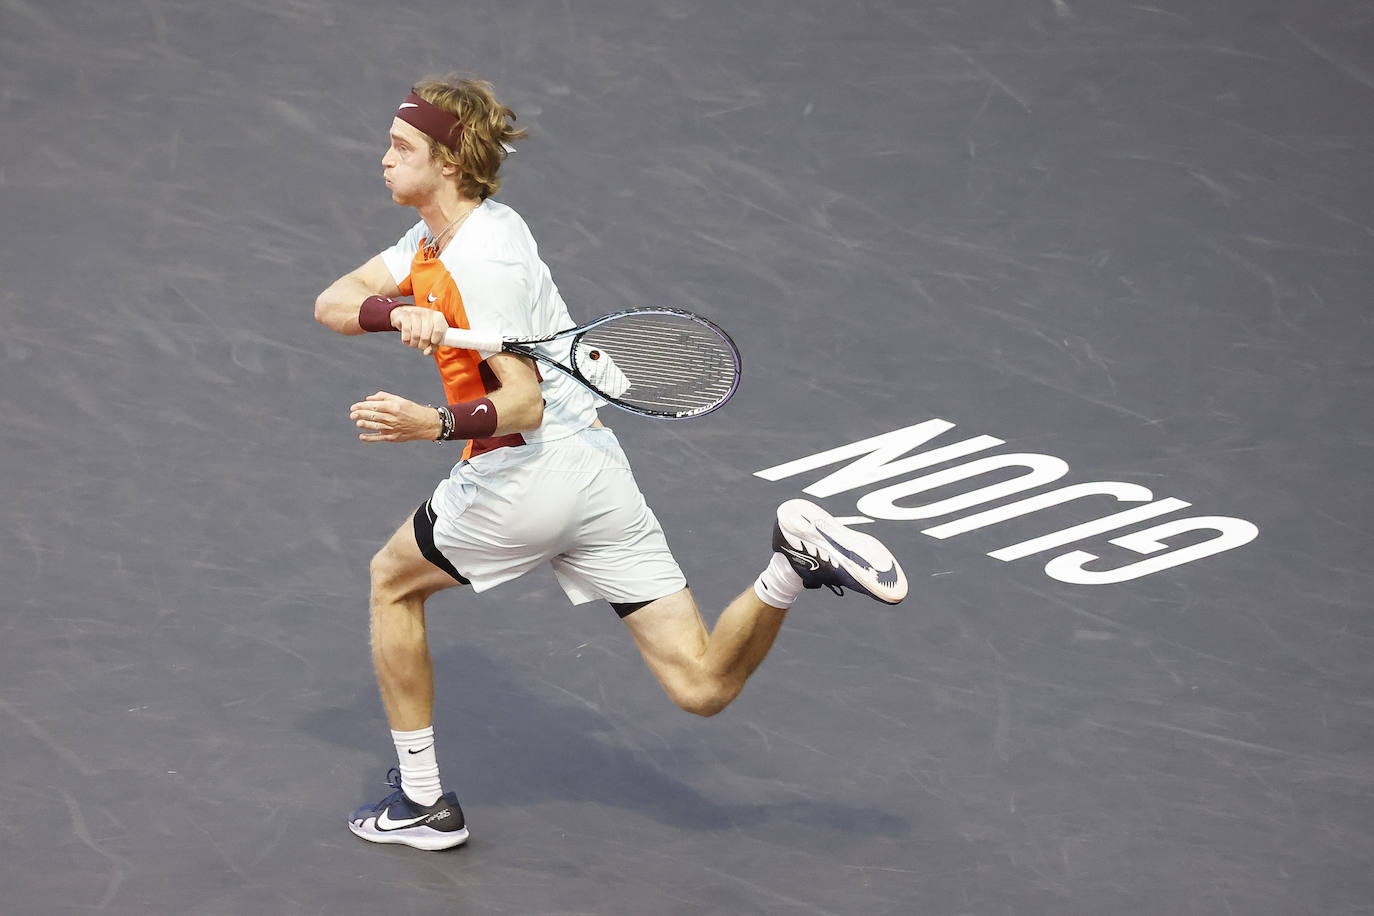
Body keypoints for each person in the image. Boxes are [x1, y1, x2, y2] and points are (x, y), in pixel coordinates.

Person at [313, 75, 909, 852]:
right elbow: (335, 299)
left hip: (523, 474)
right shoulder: (452, 234)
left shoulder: (479, 265)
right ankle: (790, 569)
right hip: (595, 474)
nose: (382, 158)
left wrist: (432, 423)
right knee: (702, 685)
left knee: (391, 582)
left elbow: (521, 405)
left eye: (401, 147)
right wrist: (400, 310)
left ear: (450, 162)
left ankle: (422, 803)